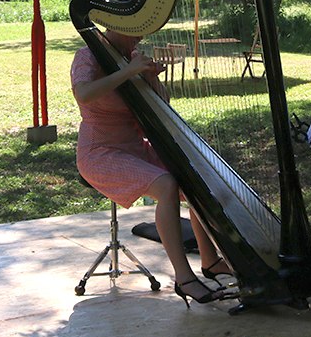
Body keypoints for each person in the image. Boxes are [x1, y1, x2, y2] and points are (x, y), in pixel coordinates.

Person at [71, 24, 233, 307]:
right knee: (168, 184)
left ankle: (210, 261)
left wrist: (150, 77)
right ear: (116, 25)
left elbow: (161, 104)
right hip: (100, 152)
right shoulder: (87, 56)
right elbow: (83, 94)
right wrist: (129, 71)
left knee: (197, 179)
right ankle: (184, 278)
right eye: (137, 31)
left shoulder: (131, 57)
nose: (141, 38)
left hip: (136, 148)